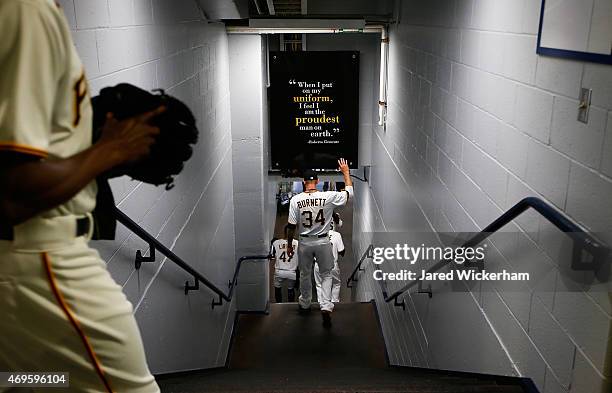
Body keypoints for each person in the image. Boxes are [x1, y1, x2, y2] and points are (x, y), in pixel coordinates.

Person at [0, 1, 163, 391]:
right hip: (42, 258)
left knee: (34, 383)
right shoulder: (26, 9)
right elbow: (12, 189)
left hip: (23, 265)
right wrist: (110, 151)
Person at [286, 158, 353, 328]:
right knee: (326, 274)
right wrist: (345, 172)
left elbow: (291, 226)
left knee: (305, 274)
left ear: (303, 182)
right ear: (316, 182)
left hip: (304, 243)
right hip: (324, 240)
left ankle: (306, 304)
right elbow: (348, 195)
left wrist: (288, 245)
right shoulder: (327, 196)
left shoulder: (296, 200)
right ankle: (326, 306)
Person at [314, 227, 345, 304]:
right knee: (336, 284)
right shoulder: (336, 234)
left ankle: (322, 304)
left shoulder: (314, 234)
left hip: (319, 264)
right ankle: (335, 303)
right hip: (332, 264)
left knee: (319, 285)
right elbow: (342, 252)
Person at [270, 225, 299, 303]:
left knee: (277, 289)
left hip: (279, 271)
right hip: (291, 272)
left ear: (284, 232)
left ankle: (278, 304)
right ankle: (290, 306)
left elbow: (271, 257)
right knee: (290, 290)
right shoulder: (297, 243)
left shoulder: (276, 242)